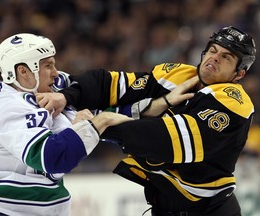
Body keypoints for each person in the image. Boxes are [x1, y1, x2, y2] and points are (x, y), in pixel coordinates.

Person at [36, 26, 256, 216]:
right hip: (162, 207)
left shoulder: (233, 103)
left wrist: (100, 124)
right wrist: (66, 95)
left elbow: (164, 142)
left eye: (226, 57)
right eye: (213, 50)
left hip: (209, 211)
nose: (215, 57)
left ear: (239, 74)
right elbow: (111, 84)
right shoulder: (177, 75)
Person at [0, 33, 133, 216]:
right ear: (23, 71)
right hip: (3, 210)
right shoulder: (6, 107)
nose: (56, 73)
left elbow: (95, 104)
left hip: (39, 208)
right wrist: (97, 123)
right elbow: (54, 157)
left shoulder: (42, 91)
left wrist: (157, 107)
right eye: (48, 66)